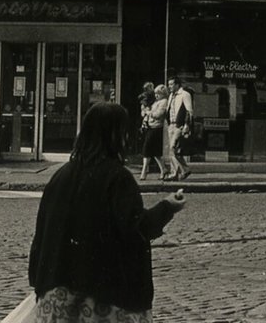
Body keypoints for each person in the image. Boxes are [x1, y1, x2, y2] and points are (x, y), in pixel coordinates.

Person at [28, 101, 187, 322]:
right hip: (103, 298)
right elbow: (136, 227)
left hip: (56, 294)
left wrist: (39, 280)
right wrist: (168, 206)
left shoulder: (61, 175)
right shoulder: (117, 178)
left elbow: (42, 231)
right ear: (116, 135)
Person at [166, 76, 193, 181]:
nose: (170, 87)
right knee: (173, 150)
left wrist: (187, 125)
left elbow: (189, 111)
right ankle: (178, 172)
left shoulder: (185, 95)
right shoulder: (171, 96)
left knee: (173, 148)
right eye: (169, 85)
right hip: (171, 125)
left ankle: (181, 170)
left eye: (172, 84)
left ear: (177, 84)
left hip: (179, 125)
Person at [136, 82, 162, 181]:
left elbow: (155, 113)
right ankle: (163, 170)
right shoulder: (148, 98)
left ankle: (144, 172)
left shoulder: (158, 101)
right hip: (149, 124)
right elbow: (144, 109)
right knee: (153, 151)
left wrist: (147, 111)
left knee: (148, 149)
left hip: (154, 125)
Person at [147, 84, 173, 180]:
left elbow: (158, 114)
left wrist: (148, 113)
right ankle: (163, 169)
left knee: (153, 149)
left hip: (157, 127)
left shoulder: (164, 102)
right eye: (155, 94)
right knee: (155, 151)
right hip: (153, 126)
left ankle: (163, 170)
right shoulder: (157, 102)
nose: (156, 95)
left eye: (158, 94)